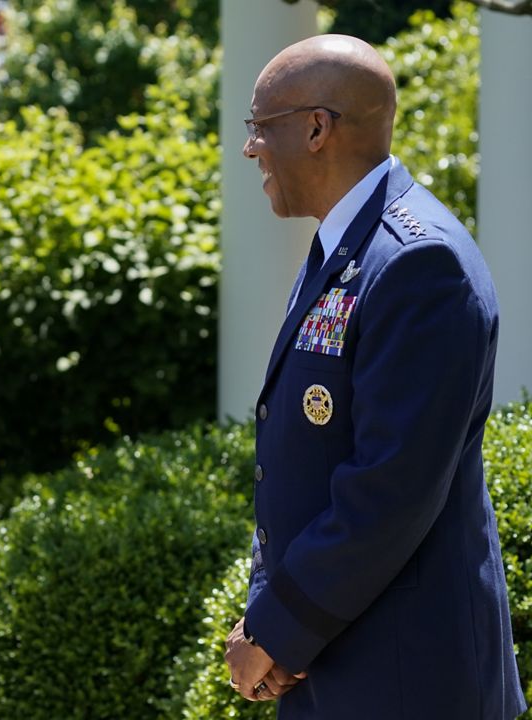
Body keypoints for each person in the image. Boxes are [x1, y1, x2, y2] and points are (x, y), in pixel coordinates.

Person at [223, 34, 525, 719]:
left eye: (259, 128)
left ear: (316, 128)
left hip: (405, 677)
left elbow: (389, 490)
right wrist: (270, 616)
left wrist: (277, 628)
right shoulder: (347, 246)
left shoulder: (421, 265)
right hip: (334, 665)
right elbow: (298, 461)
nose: (250, 149)